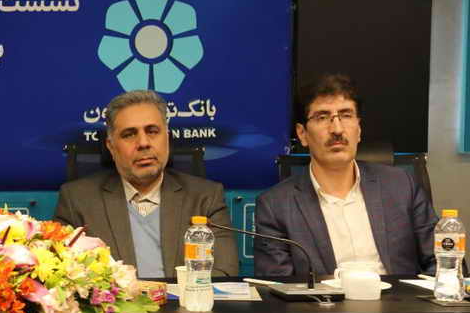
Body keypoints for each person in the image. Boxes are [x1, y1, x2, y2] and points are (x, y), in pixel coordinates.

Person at [254, 74, 437, 276]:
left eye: (346, 115)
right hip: (325, 298)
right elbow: (277, 287)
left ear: (359, 129)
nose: (337, 129)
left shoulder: (401, 186)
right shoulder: (275, 206)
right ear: (302, 134)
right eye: (322, 117)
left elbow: (443, 263)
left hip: (398, 296)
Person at [54, 89, 238, 277]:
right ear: (111, 146)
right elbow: (63, 276)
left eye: (152, 131)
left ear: (167, 138)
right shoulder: (77, 201)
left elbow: (224, 273)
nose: (143, 143)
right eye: (129, 134)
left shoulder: (205, 198)